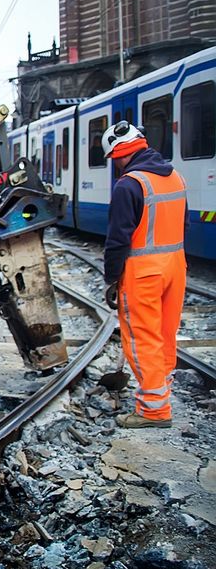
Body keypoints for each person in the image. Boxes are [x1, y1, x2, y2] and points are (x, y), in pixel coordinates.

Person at [102, 120, 187, 429]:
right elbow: (184, 224)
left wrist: (112, 277)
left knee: (142, 338)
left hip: (143, 272)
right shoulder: (174, 176)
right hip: (176, 266)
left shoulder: (129, 184)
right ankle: (161, 393)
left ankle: (153, 409)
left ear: (120, 155)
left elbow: (118, 239)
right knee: (165, 334)